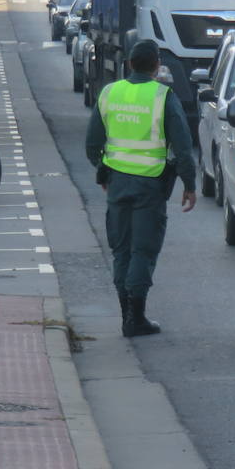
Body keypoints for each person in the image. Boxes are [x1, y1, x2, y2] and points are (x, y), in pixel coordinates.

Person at [85, 38, 197, 337]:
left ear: (130, 64)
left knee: (121, 249)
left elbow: (93, 143)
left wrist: (104, 172)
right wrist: (189, 183)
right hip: (150, 185)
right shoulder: (163, 96)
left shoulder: (110, 92)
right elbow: (183, 146)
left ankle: (126, 314)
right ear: (157, 66)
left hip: (118, 184)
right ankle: (136, 318)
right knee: (143, 250)